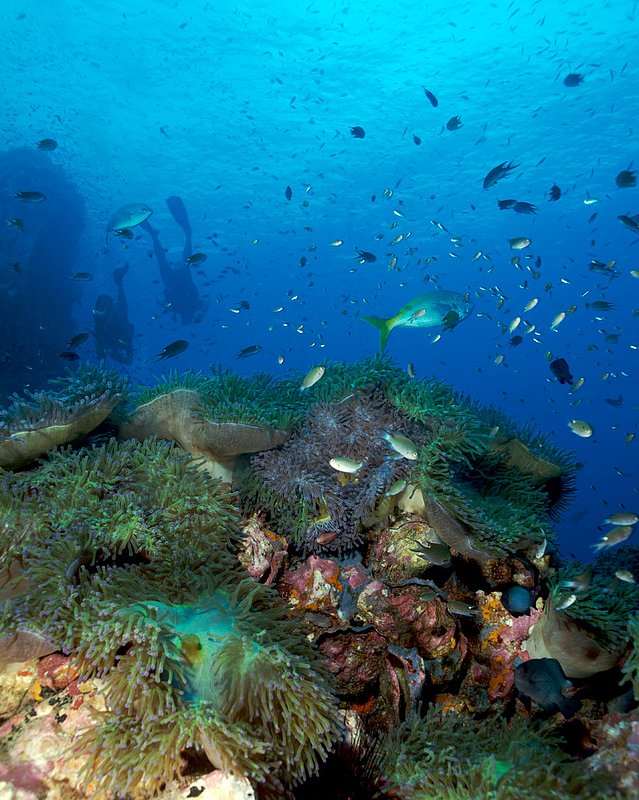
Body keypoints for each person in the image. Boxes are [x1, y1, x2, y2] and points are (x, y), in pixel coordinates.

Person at [141, 195, 207, 324]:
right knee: (167, 260)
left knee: (165, 260)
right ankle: (159, 234)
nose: (189, 317)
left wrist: (164, 301)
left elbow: (160, 301)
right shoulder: (191, 307)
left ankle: (156, 234)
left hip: (173, 282)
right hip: (179, 281)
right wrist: (202, 313)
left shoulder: (182, 309)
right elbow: (206, 302)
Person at [92, 264, 134, 364]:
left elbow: (129, 358)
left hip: (116, 319)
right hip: (118, 319)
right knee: (121, 304)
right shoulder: (122, 341)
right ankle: (119, 281)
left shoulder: (107, 336)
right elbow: (129, 359)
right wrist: (122, 359)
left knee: (121, 303)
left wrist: (120, 358)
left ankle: (119, 281)